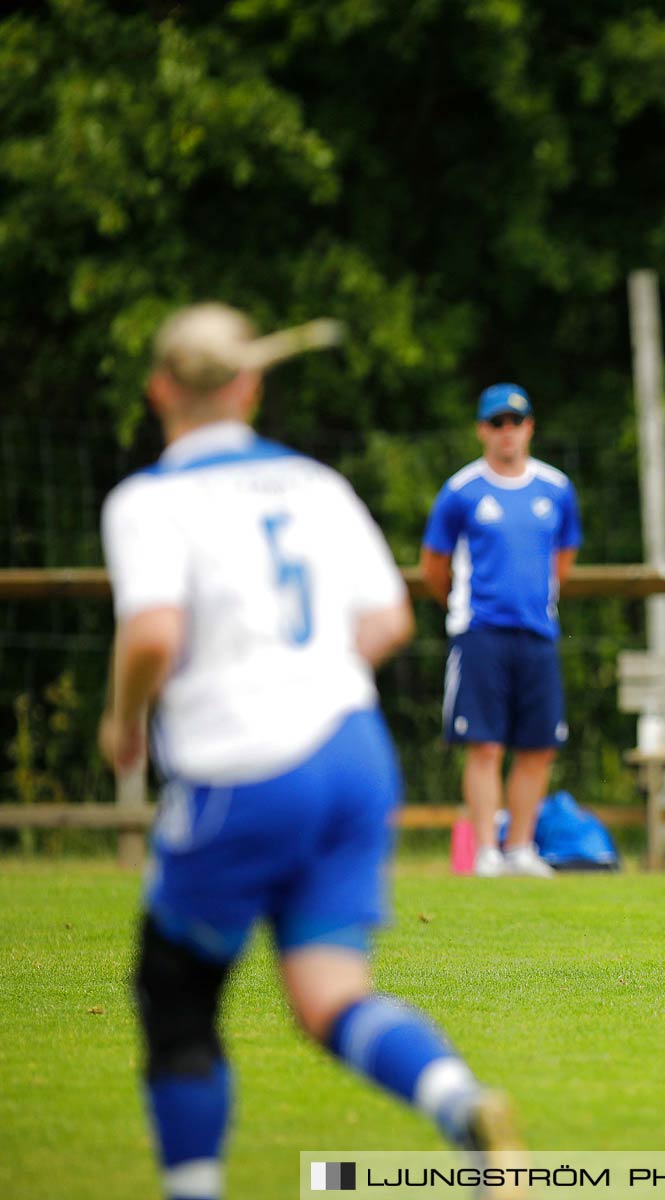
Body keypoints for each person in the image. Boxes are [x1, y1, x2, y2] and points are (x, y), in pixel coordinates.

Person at [99, 304, 521, 1200]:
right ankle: (460, 1103)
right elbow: (388, 620)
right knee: (328, 992)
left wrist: (123, 721)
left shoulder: (149, 501)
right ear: (251, 384)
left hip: (244, 767)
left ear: (160, 390)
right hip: (350, 753)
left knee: (176, 997)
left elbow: (150, 635)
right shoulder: (315, 485)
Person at [420, 384, 580, 879]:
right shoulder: (461, 490)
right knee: (484, 744)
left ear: (529, 427)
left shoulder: (556, 488)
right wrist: (461, 606)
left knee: (538, 745)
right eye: (496, 423)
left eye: (515, 422)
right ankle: (487, 850)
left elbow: (564, 557)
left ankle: (521, 848)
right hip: (479, 632)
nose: (506, 432)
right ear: (482, 430)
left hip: (537, 632)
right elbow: (433, 564)